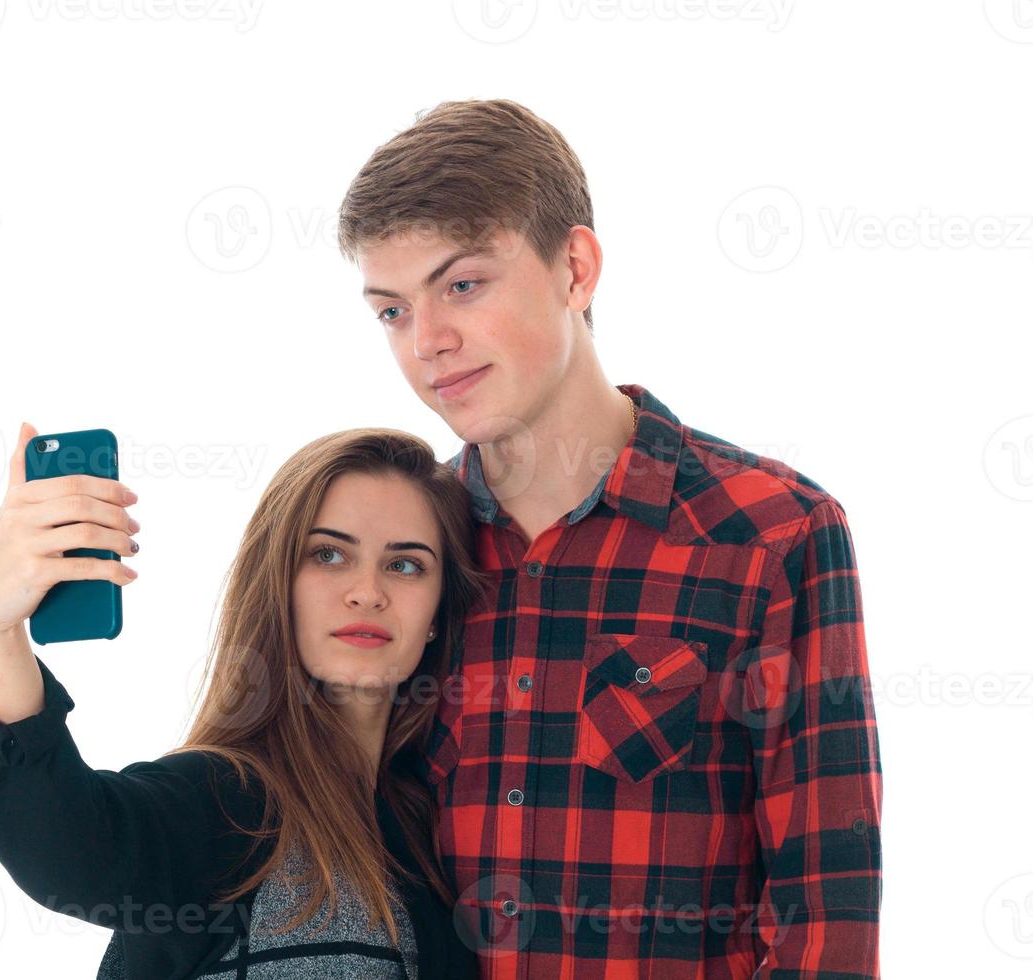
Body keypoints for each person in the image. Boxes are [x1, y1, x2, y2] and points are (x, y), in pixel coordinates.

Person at [335, 98, 884, 977]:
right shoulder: (399, 553)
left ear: (576, 269)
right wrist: (24, 631)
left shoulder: (772, 535)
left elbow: (828, 919)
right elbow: (258, 802)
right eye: (391, 311)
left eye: (463, 285)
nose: (428, 343)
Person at [0, 424, 487, 979]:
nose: (368, 591)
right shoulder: (229, 800)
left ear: (437, 613)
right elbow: (66, 849)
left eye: (405, 565)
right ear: (278, 583)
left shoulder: (431, 820)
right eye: (329, 554)